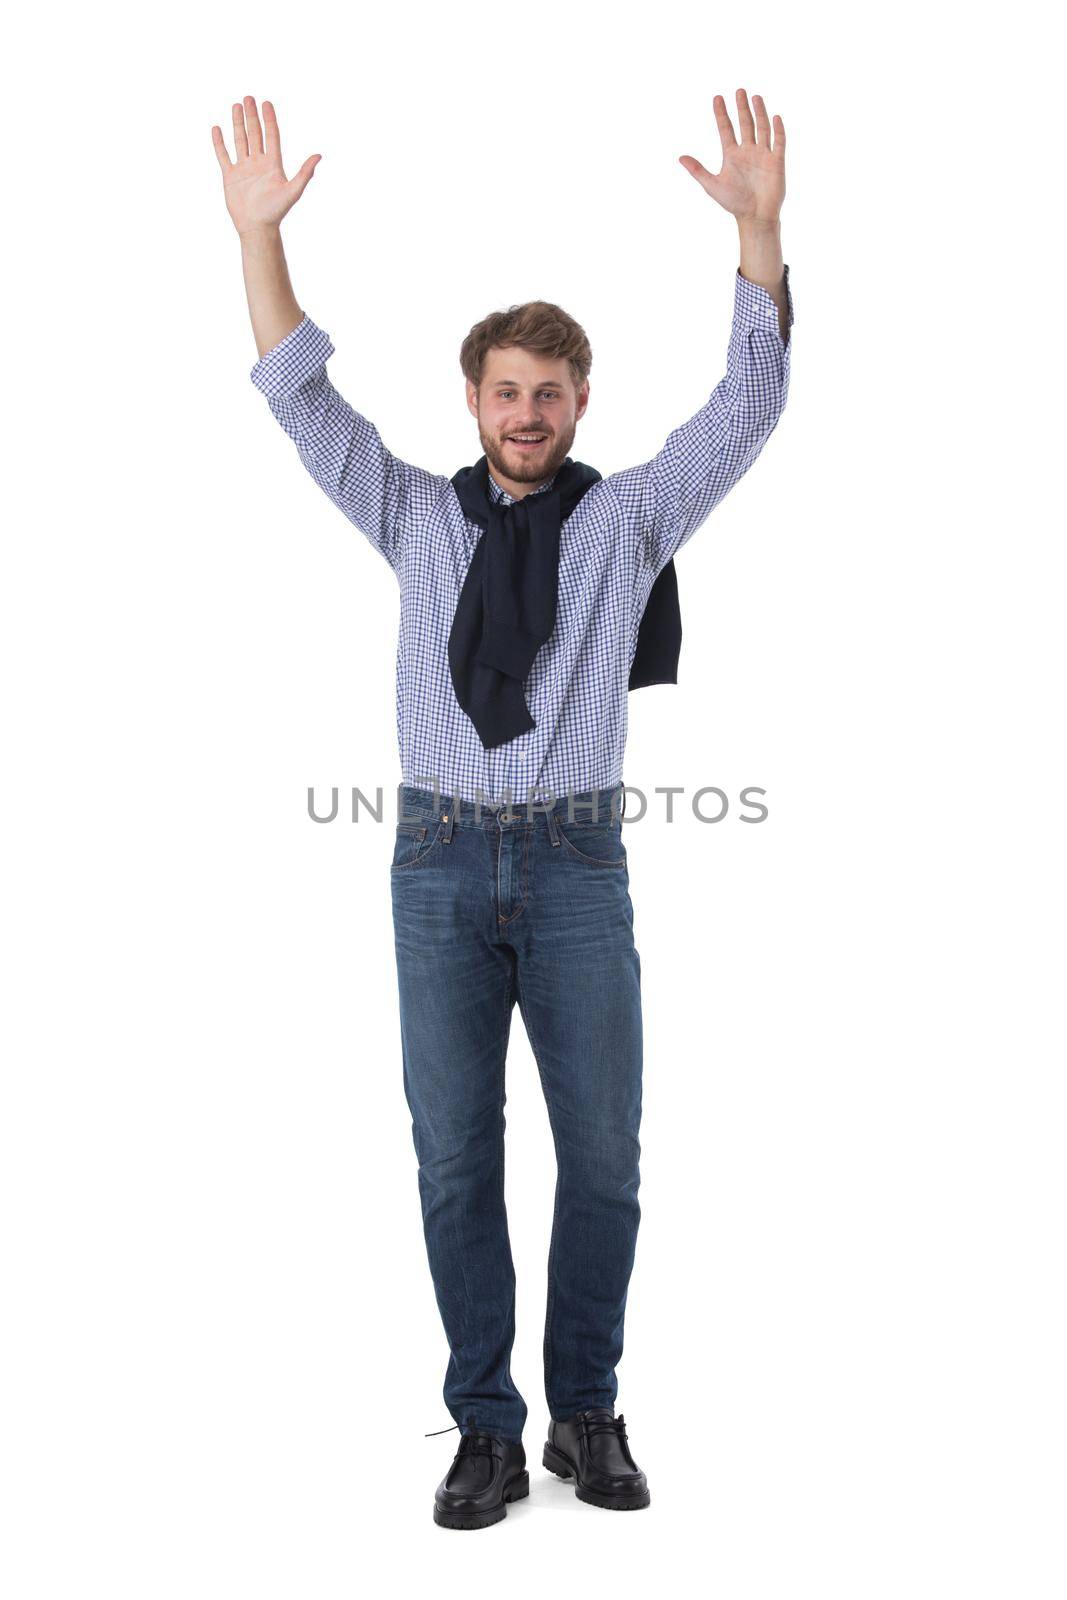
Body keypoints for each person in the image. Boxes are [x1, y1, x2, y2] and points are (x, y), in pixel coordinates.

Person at [213, 87, 792, 1530]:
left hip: (581, 870)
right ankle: (483, 1424)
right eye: (505, 392)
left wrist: (762, 233)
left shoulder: (624, 522)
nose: (527, 415)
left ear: (580, 402)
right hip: (438, 870)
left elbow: (749, 406)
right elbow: (300, 396)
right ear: (471, 402)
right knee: (458, 1154)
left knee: (604, 1155)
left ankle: (584, 1412)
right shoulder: (411, 514)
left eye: (550, 392)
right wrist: (257, 242)